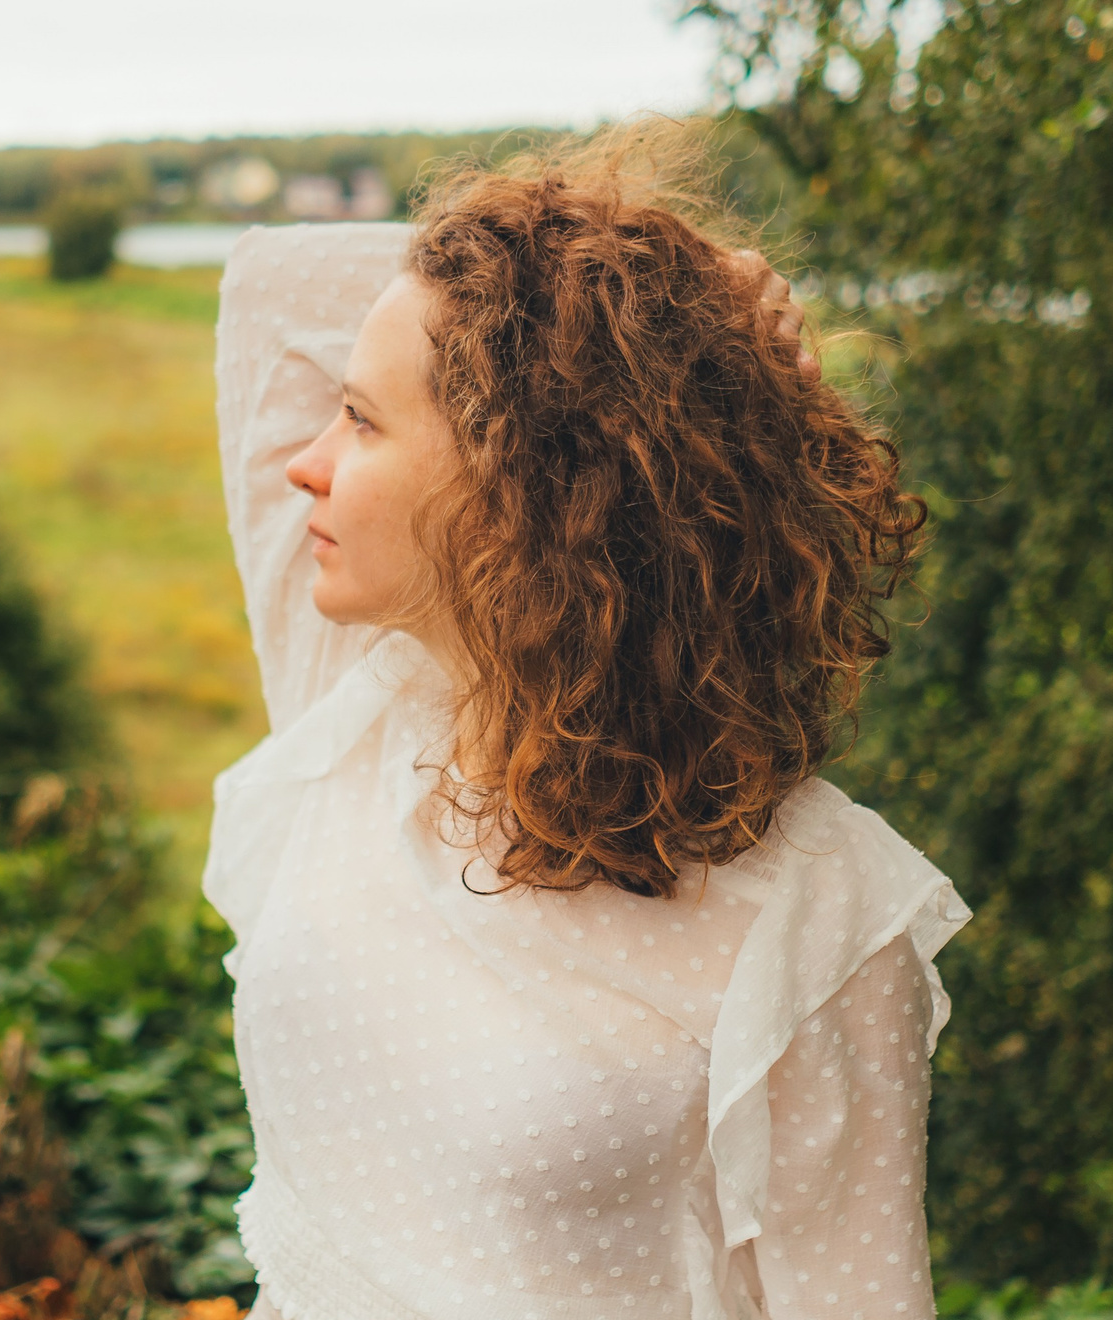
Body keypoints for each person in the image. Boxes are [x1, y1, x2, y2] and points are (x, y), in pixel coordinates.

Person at [202, 121, 971, 1320]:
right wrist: (673, 302)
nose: (303, 463)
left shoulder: (813, 912)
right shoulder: (357, 709)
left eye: (360, 421)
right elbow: (270, 290)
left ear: (526, 489)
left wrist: (651, 355)